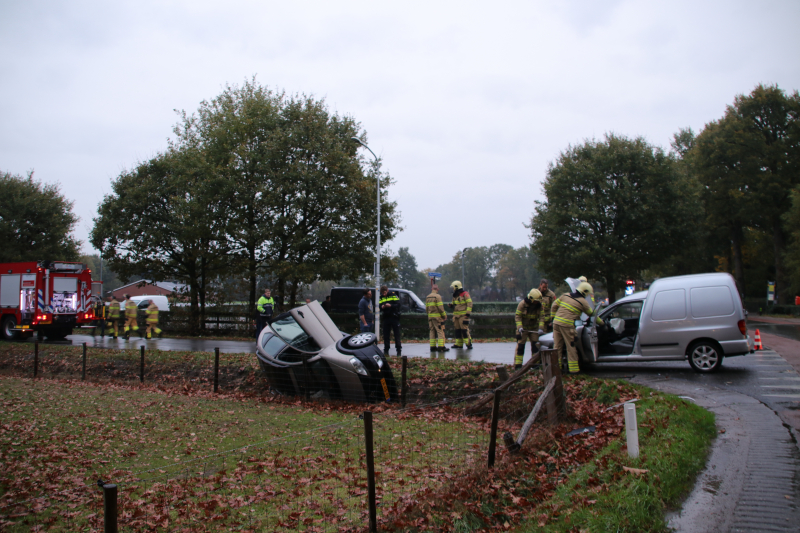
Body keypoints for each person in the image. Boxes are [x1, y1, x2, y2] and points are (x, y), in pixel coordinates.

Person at [551, 282, 601, 374]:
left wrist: (553, 317)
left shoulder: (565, 295)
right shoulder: (583, 302)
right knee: (571, 347)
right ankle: (574, 371)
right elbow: (592, 314)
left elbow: (554, 305)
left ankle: (556, 370)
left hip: (556, 324)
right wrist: (602, 323)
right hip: (567, 325)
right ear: (585, 292)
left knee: (557, 347)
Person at [514, 289, 545, 369]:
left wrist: (541, 328)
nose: (537, 302)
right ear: (531, 299)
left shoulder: (539, 306)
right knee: (520, 347)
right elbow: (518, 317)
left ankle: (535, 365)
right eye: (536, 301)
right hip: (523, 329)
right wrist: (520, 328)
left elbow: (542, 317)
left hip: (534, 329)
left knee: (536, 347)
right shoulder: (522, 304)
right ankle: (518, 366)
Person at [448, 281, 473, 349]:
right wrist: (451, 305)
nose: (453, 289)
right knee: (457, 330)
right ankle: (458, 344)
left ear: (456, 287)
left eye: (453, 287)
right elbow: (455, 304)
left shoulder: (465, 294)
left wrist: (467, 314)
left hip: (463, 316)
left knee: (464, 330)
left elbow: (469, 304)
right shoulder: (455, 295)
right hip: (456, 316)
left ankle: (468, 344)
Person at [426, 284, 449, 353]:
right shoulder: (438, 297)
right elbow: (440, 308)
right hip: (437, 318)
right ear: (437, 289)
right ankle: (441, 347)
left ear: (431, 289)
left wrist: (429, 315)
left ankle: (432, 347)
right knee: (440, 331)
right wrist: (444, 316)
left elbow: (426, 308)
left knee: (432, 331)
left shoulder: (427, 297)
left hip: (430, 317)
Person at [379, 285, 402, 356]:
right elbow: (379, 305)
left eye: (385, 292)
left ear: (387, 290)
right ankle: (386, 349)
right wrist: (382, 306)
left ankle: (398, 350)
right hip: (386, 317)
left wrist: (390, 305)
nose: (384, 294)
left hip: (394, 317)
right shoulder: (381, 297)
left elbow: (398, 304)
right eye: (382, 293)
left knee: (396, 334)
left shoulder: (393, 295)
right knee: (386, 335)